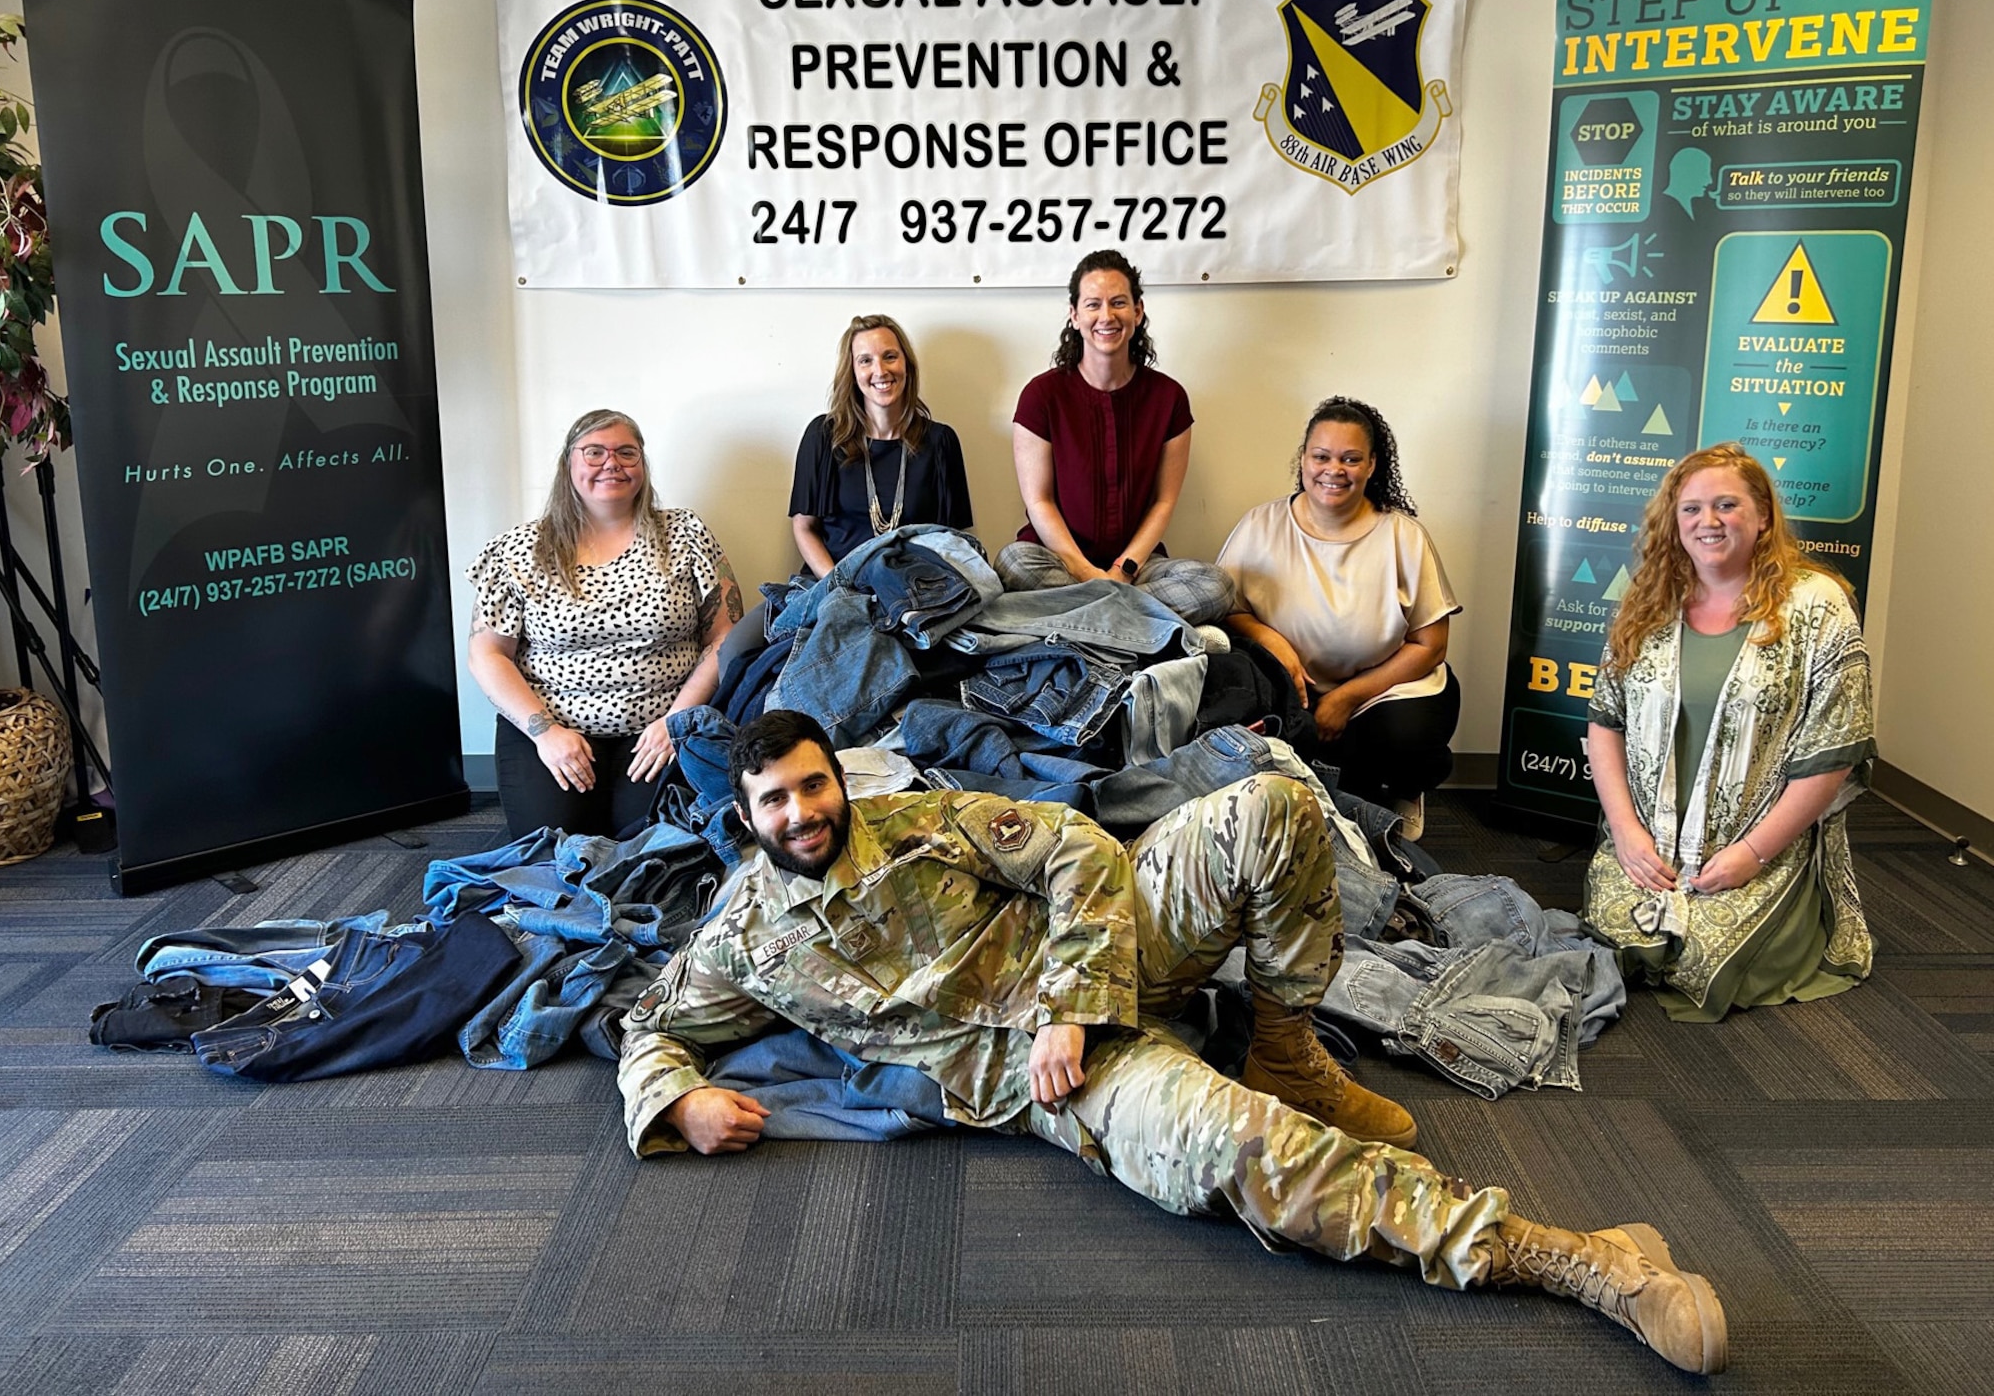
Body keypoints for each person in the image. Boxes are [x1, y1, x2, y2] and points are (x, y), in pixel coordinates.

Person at [616, 710, 1728, 1375]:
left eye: (814, 783)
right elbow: (648, 1022)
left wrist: (1068, 995)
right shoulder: (744, 940)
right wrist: (677, 1099)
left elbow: (1077, 849)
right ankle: (1578, 1258)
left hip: (1096, 970)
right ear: (747, 814)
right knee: (1236, 1150)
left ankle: (1286, 1044)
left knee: (1271, 804)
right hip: (1055, 1083)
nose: (804, 810)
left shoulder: (919, 821)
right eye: (777, 800)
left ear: (835, 778)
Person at [1584, 443, 1876, 1022]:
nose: (1707, 522)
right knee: (1624, 945)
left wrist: (1751, 853)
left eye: (1726, 505)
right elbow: (1604, 721)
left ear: (1763, 515)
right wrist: (1624, 833)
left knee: (1709, 961)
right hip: (1651, 840)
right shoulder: (1649, 600)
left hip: (1760, 842)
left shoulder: (1818, 607)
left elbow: (1834, 755)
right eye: (1691, 509)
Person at [468, 408, 744, 839]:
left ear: (643, 465)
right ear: (569, 464)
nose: (611, 463)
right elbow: (487, 653)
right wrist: (546, 733)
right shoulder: (521, 548)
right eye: (594, 452)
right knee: (554, 849)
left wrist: (677, 720)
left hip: (659, 727)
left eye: (626, 453)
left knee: (648, 844)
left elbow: (725, 637)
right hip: (552, 727)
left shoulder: (686, 534)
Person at [1218, 397, 1460, 832]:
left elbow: (1431, 645)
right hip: (1297, 690)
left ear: (1371, 465)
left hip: (1384, 691)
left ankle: (1404, 789)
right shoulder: (1260, 525)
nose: (1334, 470)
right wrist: (1272, 640)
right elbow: (1226, 610)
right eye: (1322, 456)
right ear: (1304, 460)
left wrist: (1347, 699)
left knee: (1401, 741)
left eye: (1350, 459)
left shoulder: (1403, 535)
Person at [996, 250, 1234, 625]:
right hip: (1056, 561)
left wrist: (1121, 572)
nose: (1106, 316)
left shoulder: (1169, 398)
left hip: (1137, 568)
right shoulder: (1040, 396)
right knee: (1012, 563)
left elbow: (1163, 503)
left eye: (1118, 303)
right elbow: (1039, 501)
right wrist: (1089, 574)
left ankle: (1081, 629)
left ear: (1138, 312)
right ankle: (1143, 627)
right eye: (1093, 304)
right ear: (1074, 315)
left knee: (1217, 585)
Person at [788, 313, 974, 577]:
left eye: (890, 356)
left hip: (914, 589)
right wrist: (839, 586)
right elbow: (804, 528)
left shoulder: (941, 442)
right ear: (852, 372)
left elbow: (952, 540)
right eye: (865, 360)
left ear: (906, 365)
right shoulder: (823, 436)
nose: (880, 371)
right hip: (833, 585)